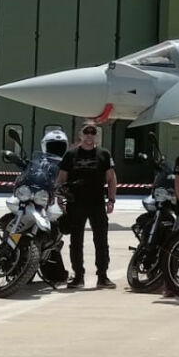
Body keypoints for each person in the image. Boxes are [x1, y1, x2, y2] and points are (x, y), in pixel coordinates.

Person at [57, 121, 118, 289]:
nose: (89, 136)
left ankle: (103, 276)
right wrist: (59, 198)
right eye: (86, 132)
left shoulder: (104, 154)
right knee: (76, 241)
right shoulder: (70, 155)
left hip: (97, 203)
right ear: (80, 135)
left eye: (93, 132)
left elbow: (111, 178)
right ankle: (78, 276)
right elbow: (62, 178)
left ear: (96, 135)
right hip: (75, 203)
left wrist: (111, 200)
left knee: (101, 240)